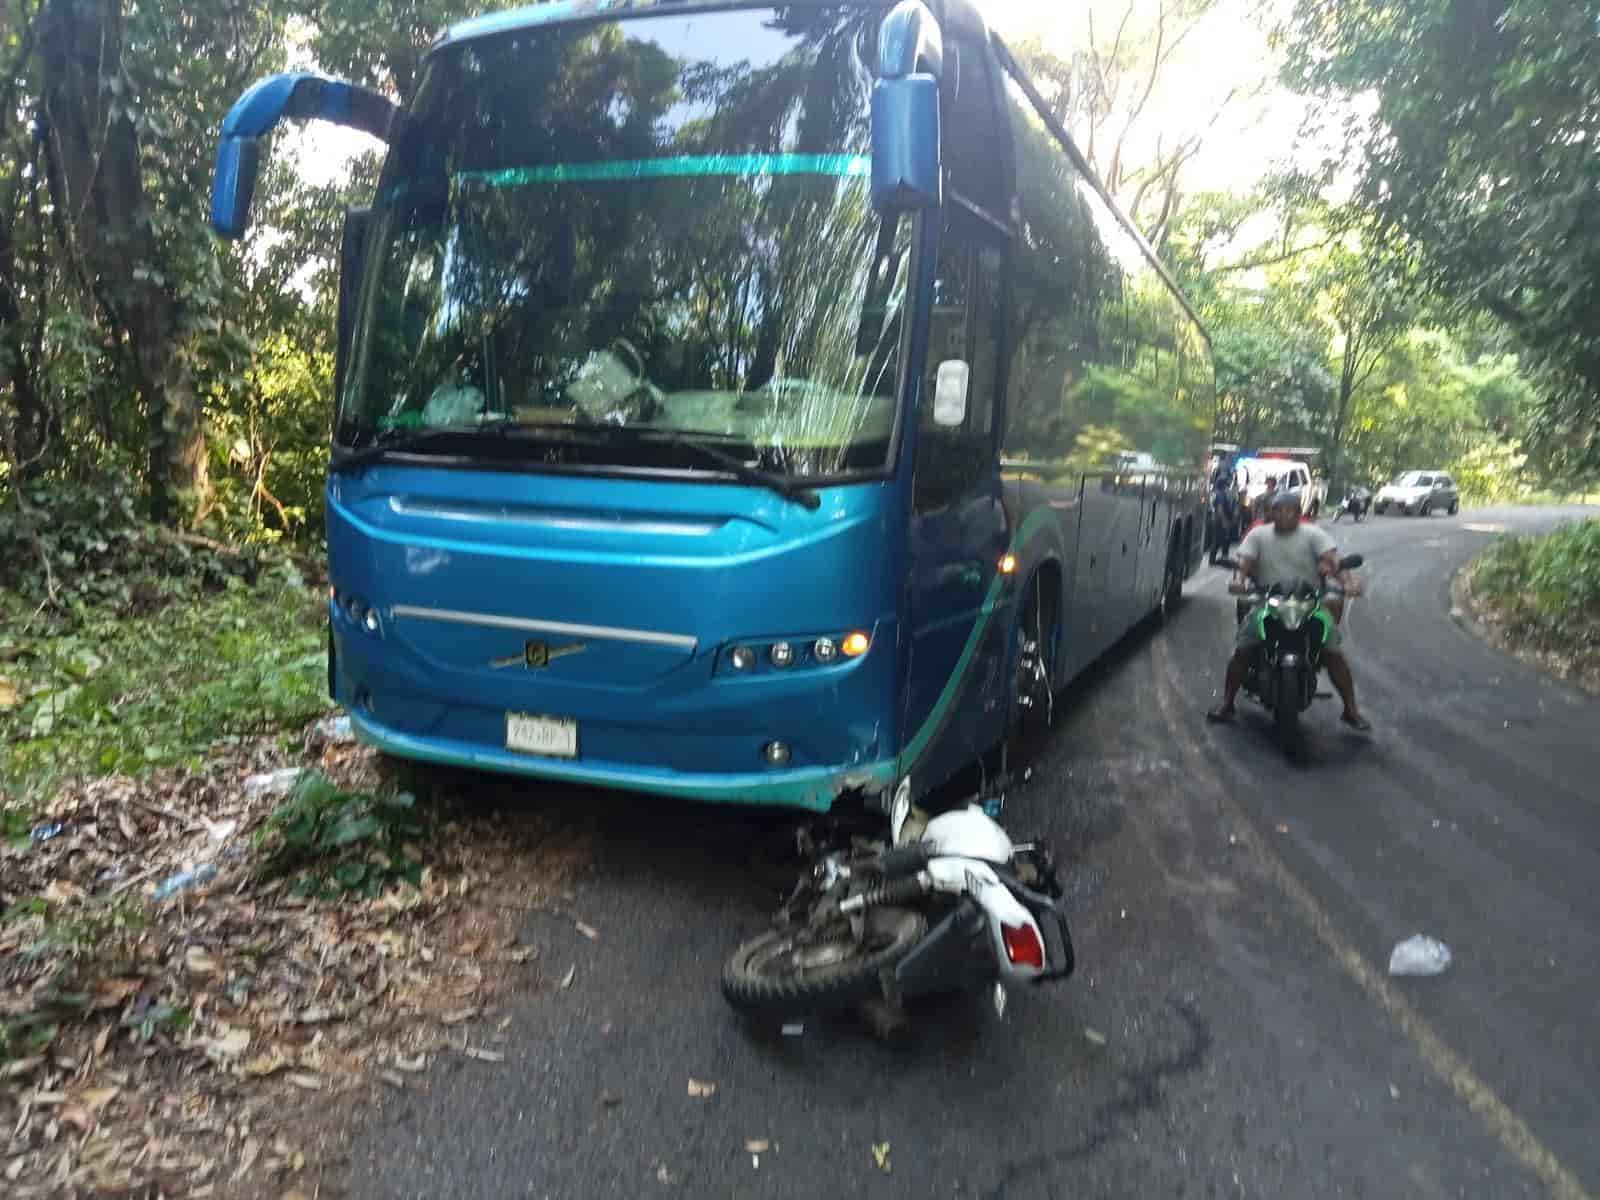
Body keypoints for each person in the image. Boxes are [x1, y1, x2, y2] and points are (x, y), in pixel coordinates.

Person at [1206, 488, 1371, 731]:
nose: (1284, 515)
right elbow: (1244, 563)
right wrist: (1239, 581)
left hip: (1309, 602)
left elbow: (1333, 561)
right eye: (1278, 510)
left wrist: (1348, 582)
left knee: (1333, 652)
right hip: (1268, 602)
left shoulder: (1314, 535)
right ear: (1270, 512)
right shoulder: (1258, 535)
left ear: (1298, 512)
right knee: (1243, 649)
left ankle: (1350, 710)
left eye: (1290, 511)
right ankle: (1228, 703)